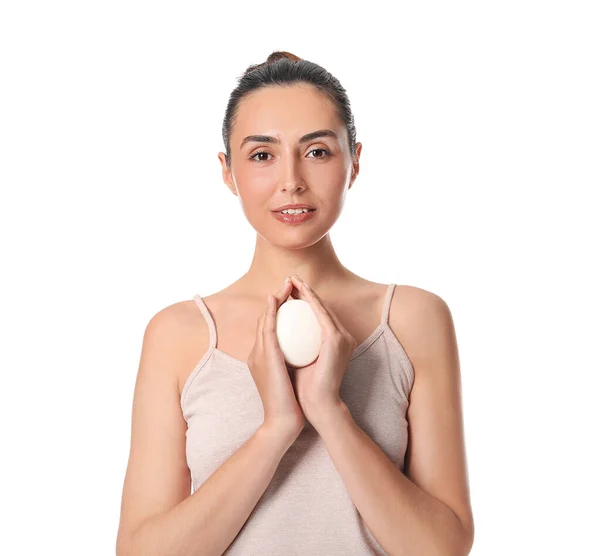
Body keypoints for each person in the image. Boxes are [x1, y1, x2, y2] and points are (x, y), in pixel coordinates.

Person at [115, 51, 474, 556]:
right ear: (227, 171)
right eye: (262, 155)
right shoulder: (180, 334)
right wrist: (276, 429)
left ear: (354, 162)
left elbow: (442, 548)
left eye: (318, 152)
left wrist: (330, 412)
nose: (291, 181)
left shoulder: (413, 319)